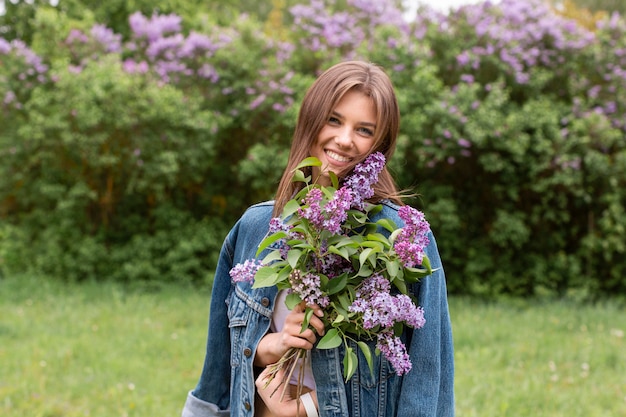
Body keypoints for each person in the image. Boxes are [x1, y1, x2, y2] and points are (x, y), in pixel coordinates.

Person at [181, 60, 455, 417]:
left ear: (380, 144)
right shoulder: (255, 228)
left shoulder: (401, 238)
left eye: (364, 130)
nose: (344, 139)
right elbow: (219, 371)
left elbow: (427, 380)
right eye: (334, 119)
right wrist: (274, 345)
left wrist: (306, 408)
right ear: (310, 120)